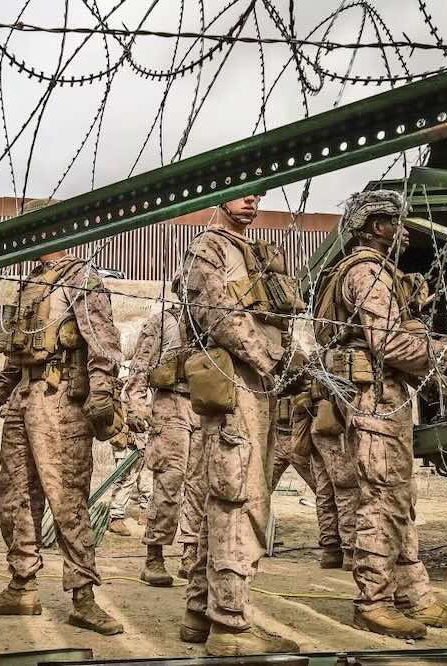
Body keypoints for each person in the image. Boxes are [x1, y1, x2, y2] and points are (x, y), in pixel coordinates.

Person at [312, 189, 447, 639]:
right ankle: (373, 602)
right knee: (380, 498)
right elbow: (390, 344)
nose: (406, 233)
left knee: (398, 500)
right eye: (399, 223)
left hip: (379, 397)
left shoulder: (363, 273)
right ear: (378, 226)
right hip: (374, 401)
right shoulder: (369, 274)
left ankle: (414, 596)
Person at [0, 197, 124, 636]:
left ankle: (83, 597)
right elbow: (15, 354)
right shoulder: (30, 283)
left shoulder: (82, 280)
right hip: (23, 396)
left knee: (67, 500)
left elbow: (104, 345)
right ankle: (22, 586)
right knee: (15, 495)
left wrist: (102, 397)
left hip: (60, 403)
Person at [176, 193, 302, 656]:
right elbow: (219, 315)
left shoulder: (260, 253)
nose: (251, 200)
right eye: (241, 191)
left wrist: (289, 360)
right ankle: (228, 627)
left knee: (234, 493)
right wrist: (273, 361)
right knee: (236, 495)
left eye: (258, 193)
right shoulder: (208, 248)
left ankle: (199, 613)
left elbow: (281, 320)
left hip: (258, 385)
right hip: (234, 382)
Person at [122, 303, 201, 585]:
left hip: (205, 407)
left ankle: (191, 552)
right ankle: (154, 556)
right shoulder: (164, 321)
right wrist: (136, 404)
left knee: (200, 485)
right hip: (171, 404)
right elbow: (140, 364)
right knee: (170, 480)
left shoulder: (215, 322)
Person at [270, 372, 348, 570]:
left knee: (324, 489)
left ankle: (333, 548)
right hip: (316, 429)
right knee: (342, 487)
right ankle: (347, 549)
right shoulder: (316, 358)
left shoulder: (314, 358)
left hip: (310, 428)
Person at [106, 427, 152, 538]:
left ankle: (146, 511)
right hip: (127, 440)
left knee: (147, 477)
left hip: (146, 439)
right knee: (124, 480)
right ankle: (116, 518)